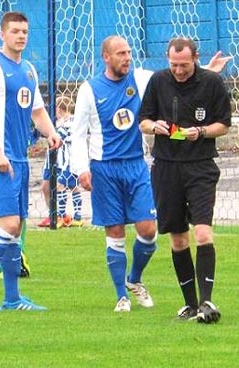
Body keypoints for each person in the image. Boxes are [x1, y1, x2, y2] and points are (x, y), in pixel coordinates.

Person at [70, 35, 231, 313]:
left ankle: (138, 279)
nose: (127, 57)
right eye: (121, 53)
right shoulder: (89, 89)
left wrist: (206, 69)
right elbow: (78, 131)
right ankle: (123, 296)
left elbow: (182, 77)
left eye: (129, 52)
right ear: (106, 57)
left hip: (139, 164)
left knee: (149, 230)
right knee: (118, 230)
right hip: (106, 167)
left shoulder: (143, 79)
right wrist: (81, 168)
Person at [0, 11, 61, 311]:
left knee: (17, 226)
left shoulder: (29, 70)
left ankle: (12, 298)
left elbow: (37, 111)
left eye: (24, 31)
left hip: (19, 160)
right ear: (2, 34)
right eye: (15, 31)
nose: (21, 35)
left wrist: (51, 133)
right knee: (7, 224)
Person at [139, 37, 231, 323]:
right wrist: (155, 126)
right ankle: (190, 304)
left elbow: (223, 125)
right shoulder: (158, 81)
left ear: (196, 59)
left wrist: (200, 132)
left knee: (202, 232)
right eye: (174, 64)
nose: (178, 70)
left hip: (200, 166)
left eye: (184, 65)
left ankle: (206, 302)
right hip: (166, 167)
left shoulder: (212, 83)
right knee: (178, 237)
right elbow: (143, 120)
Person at [38, 96, 84, 228]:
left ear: (58, 108)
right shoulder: (57, 122)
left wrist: (51, 135)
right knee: (47, 186)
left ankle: (61, 216)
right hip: (53, 160)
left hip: (65, 162)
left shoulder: (71, 122)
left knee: (64, 186)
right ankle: (55, 215)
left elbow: (59, 138)